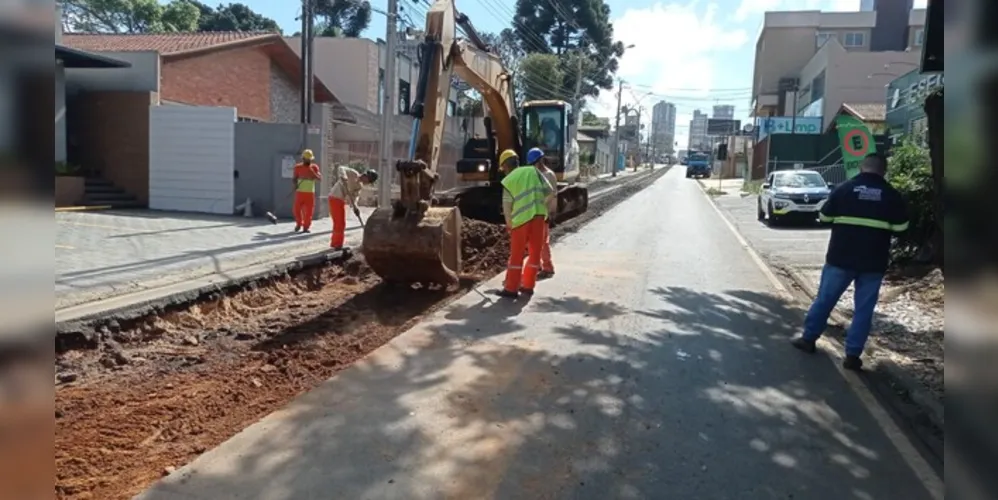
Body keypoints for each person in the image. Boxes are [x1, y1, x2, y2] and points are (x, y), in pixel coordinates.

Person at [790, 152, 909, 371]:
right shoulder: (892, 195)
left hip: (840, 258)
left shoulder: (843, 189)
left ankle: (808, 339)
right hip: (873, 262)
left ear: (862, 168)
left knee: (825, 299)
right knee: (864, 309)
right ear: (884, 171)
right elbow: (901, 228)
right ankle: (853, 356)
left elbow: (824, 217)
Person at [498, 147, 554, 299]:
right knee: (535, 254)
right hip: (539, 218)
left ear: (505, 166)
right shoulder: (533, 171)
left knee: (516, 256)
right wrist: (540, 204)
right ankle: (528, 286)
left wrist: (510, 225)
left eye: (502, 167)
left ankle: (511, 289)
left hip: (520, 222)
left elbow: (507, 207)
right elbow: (550, 192)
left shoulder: (508, 181)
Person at [328, 164, 379, 250]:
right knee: (339, 223)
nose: (367, 183)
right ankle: (337, 244)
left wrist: (355, 207)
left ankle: (335, 243)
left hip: (340, 201)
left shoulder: (359, 186)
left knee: (341, 223)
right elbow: (341, 168)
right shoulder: (352, 173)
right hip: (335, 197)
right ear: (366, 176)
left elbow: (354, 198)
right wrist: (343, 176)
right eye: (368, 181)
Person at [535, 151, 558, 279]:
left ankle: (548, 267)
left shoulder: (549, 175)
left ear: (540, 161)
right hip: (535, 213)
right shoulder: (535, 174)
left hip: (544, 213)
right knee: (534, 242)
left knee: (543, 242)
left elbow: (553, 194)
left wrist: (551, 212)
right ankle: (536, 265)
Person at [292, 149, 322, 233]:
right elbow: (294, 178)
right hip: (300, 192)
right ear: (303, 159)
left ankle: (306, 227)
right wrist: (295, 184)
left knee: (309, 212)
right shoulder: (297, 167)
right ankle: (299, 224)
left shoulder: (314, 167)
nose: (308, 161)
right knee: (296, 210)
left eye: (310, 159)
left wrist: (312, 173)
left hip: (310, 193)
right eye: (307, 159)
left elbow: (319, 178)